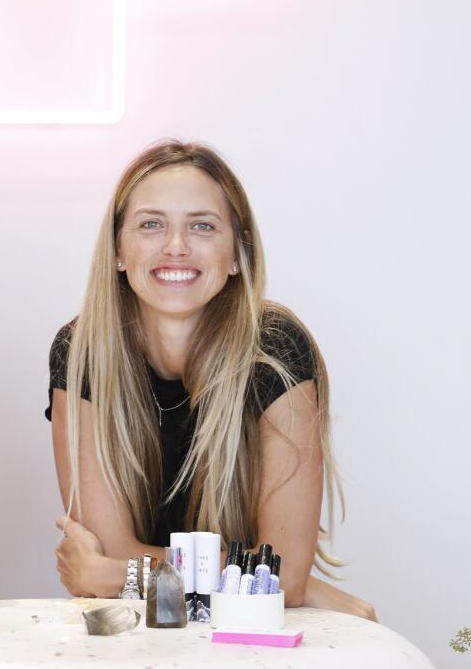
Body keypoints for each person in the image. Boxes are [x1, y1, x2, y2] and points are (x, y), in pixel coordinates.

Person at [48, 140, 376, 620]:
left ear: (238, 254)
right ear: (118, 250)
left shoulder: (276, 350)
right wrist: (273, 580)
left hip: (251, 634)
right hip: (139, 633)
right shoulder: (82, 353)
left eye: (202, 226)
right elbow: (110, 543)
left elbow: (282, 578)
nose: (176, 246)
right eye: (151, 224)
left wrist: (118, 576)